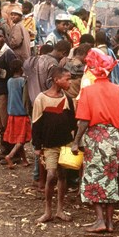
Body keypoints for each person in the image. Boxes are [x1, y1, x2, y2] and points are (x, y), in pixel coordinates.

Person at [72, 49, 119, 233]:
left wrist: (76, 141)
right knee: (112, 178)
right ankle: (110, 222)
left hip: (95, 139)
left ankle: (99, 220)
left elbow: (83, 121)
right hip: (114, 138)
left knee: (94, 177)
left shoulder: (88, 91)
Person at [33, 67, 77, 223]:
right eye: (67, 79)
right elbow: (36, 123)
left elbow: (73, 123)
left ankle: (60, 209)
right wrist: (37, 146)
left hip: (65, 143)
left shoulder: (68, 99)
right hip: (49, 145)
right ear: (56, 80)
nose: (70, 82)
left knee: (63, 175)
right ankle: (47, 210)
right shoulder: (41, 99)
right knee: (51, 175)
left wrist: (75, 142)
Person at [0, 27, 18, 160]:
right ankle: (4, 150)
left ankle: (12, 152)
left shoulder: (8, 53)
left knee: (6, 123)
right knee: (0, 122)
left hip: (5, 92)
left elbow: (15, 73)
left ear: (4, 38)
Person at [2, 59, 31, 169]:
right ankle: (10, 155)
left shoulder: (9, 81)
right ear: (21, 69)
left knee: (19, 137)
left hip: (11, 112)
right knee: (21, 139)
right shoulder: (23, 81)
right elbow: (25, 98)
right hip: (21, 113)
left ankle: (24, 160)